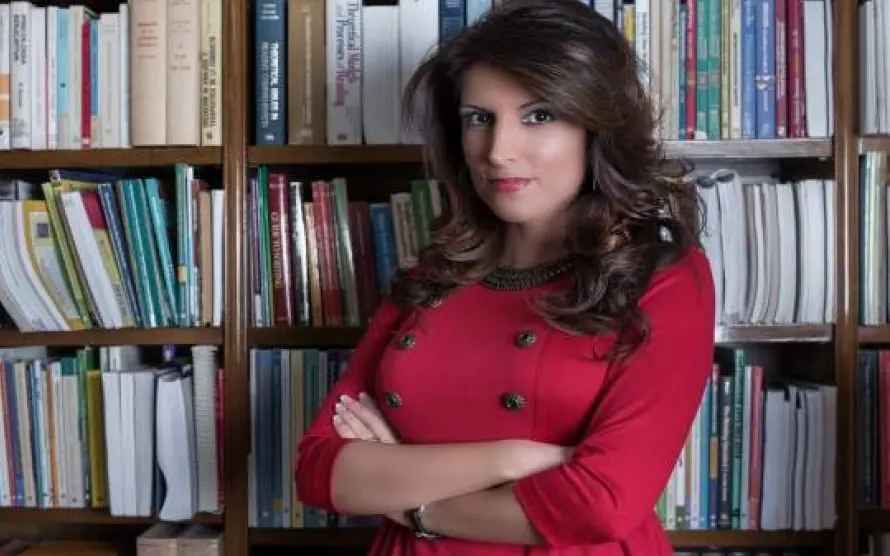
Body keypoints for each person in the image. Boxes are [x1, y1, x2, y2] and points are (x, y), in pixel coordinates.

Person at [293, 0, 716, 554]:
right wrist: (512, 459)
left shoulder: (660, 278)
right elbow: (320, 469)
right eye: (479, 118)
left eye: (538, 116)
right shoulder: (433, 274)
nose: (498, 151)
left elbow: (600, 504)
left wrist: (413, 503)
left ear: (597, 128)